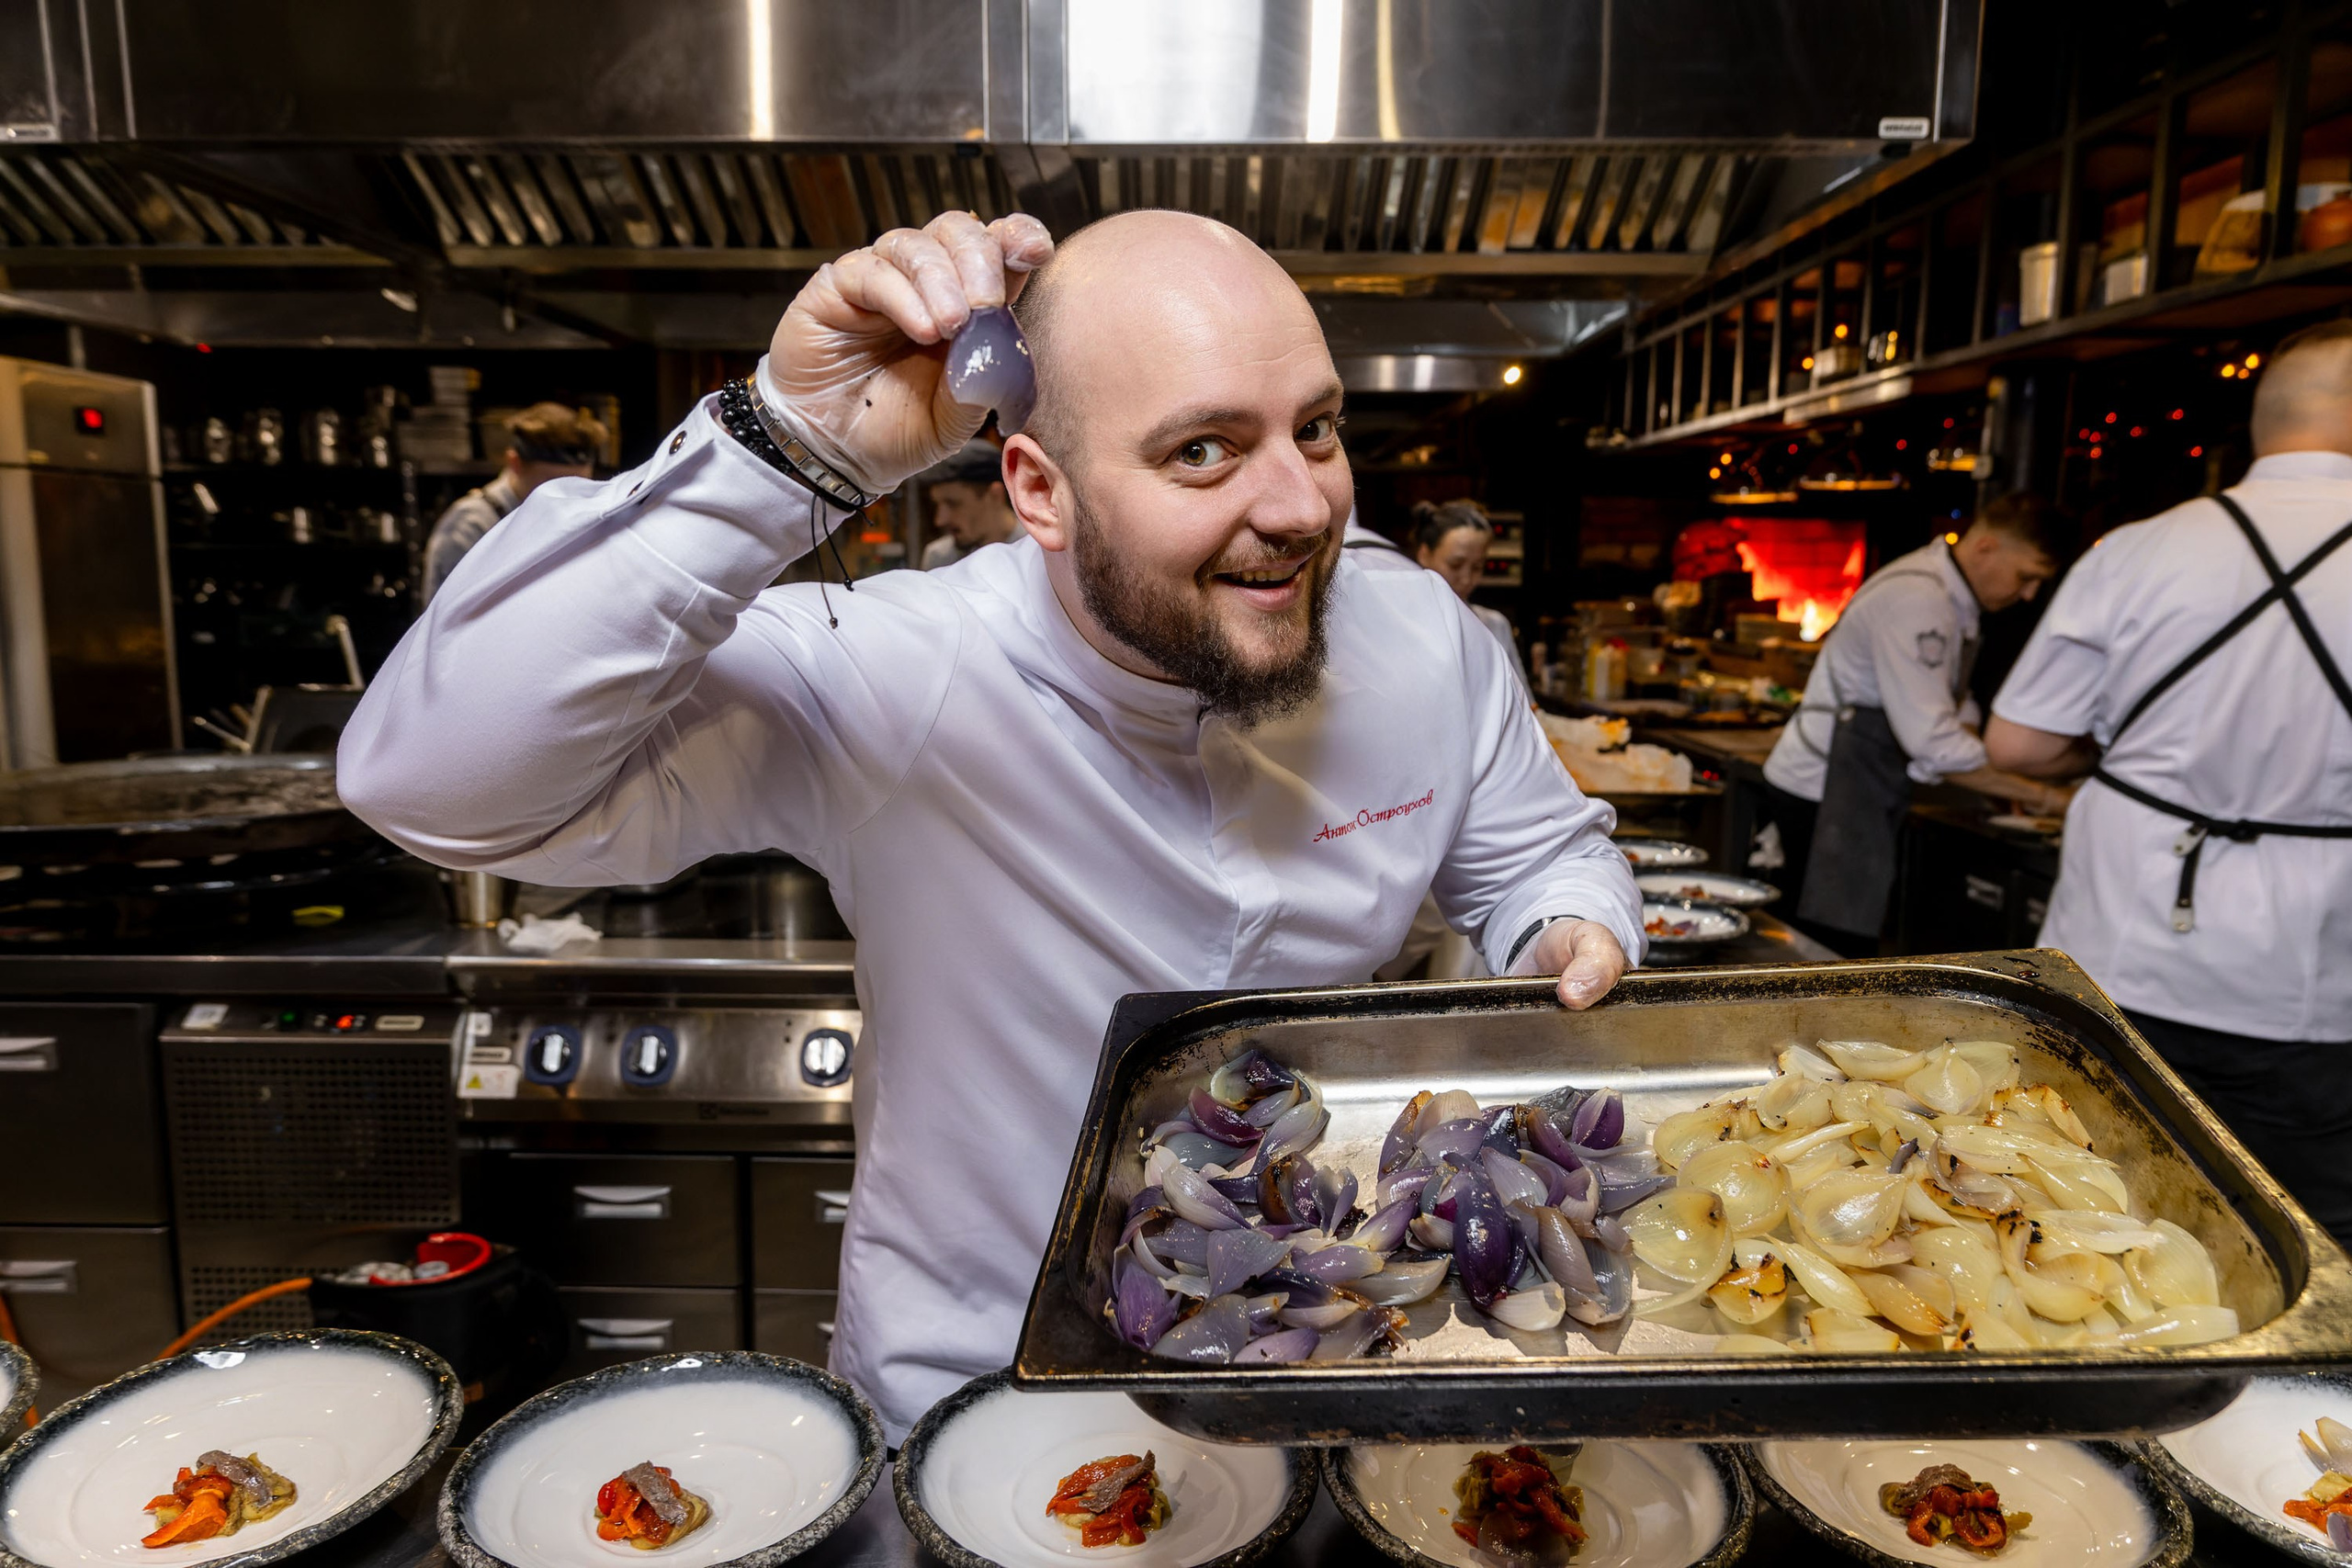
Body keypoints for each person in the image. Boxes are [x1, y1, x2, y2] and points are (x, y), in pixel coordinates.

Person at [338, 208, 1644, 1439]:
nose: (1301, 504)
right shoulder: (895, 668)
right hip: (986, 1398)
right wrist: (783, 444)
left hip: (1332, 1360)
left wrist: (1563, 924)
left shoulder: (1420, 631)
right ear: (1038, 488)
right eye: (1203, 449)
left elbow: (1536, 849)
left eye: (1314, 428)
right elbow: (434, 782)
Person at [1986, 318, 2352, 1247]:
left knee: (2081, 1207)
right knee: (2297, 1233)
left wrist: (2122, 757)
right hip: (2307, 983)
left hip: (2115, 950)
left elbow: (2021, 744)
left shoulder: (2138, 549)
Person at [1759, 493, 2075, 949]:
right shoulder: (1918, 600)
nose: (2027, 594)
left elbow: (1954, 710)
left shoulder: (1952, 599)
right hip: (1824, 791)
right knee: (1826, 948)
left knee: (1844, 945)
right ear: (1987, 547)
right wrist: (2046, 796)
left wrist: (2001, 779)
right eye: (2026, 577)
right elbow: (1934, 742)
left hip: (1857, 786)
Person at [420, 402, 605, 602]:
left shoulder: (579, 520)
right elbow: (449, 623)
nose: (567, 499)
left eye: (579, 486)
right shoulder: (470, 527)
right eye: (553, 485)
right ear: (515, 463)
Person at [1410, 499, 1526, 691]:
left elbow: (1525, 709)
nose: (1467, 579)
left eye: (1477, 567)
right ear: (1424, 554)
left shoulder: (1494, 625)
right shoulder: (1405, 623)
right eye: (1455, 565)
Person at [919, 440, 1021, 569]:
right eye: (937, 505)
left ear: (995, 495)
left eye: (953, 504)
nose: (940, 520)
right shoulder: (940, 559)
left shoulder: (1039, 552)